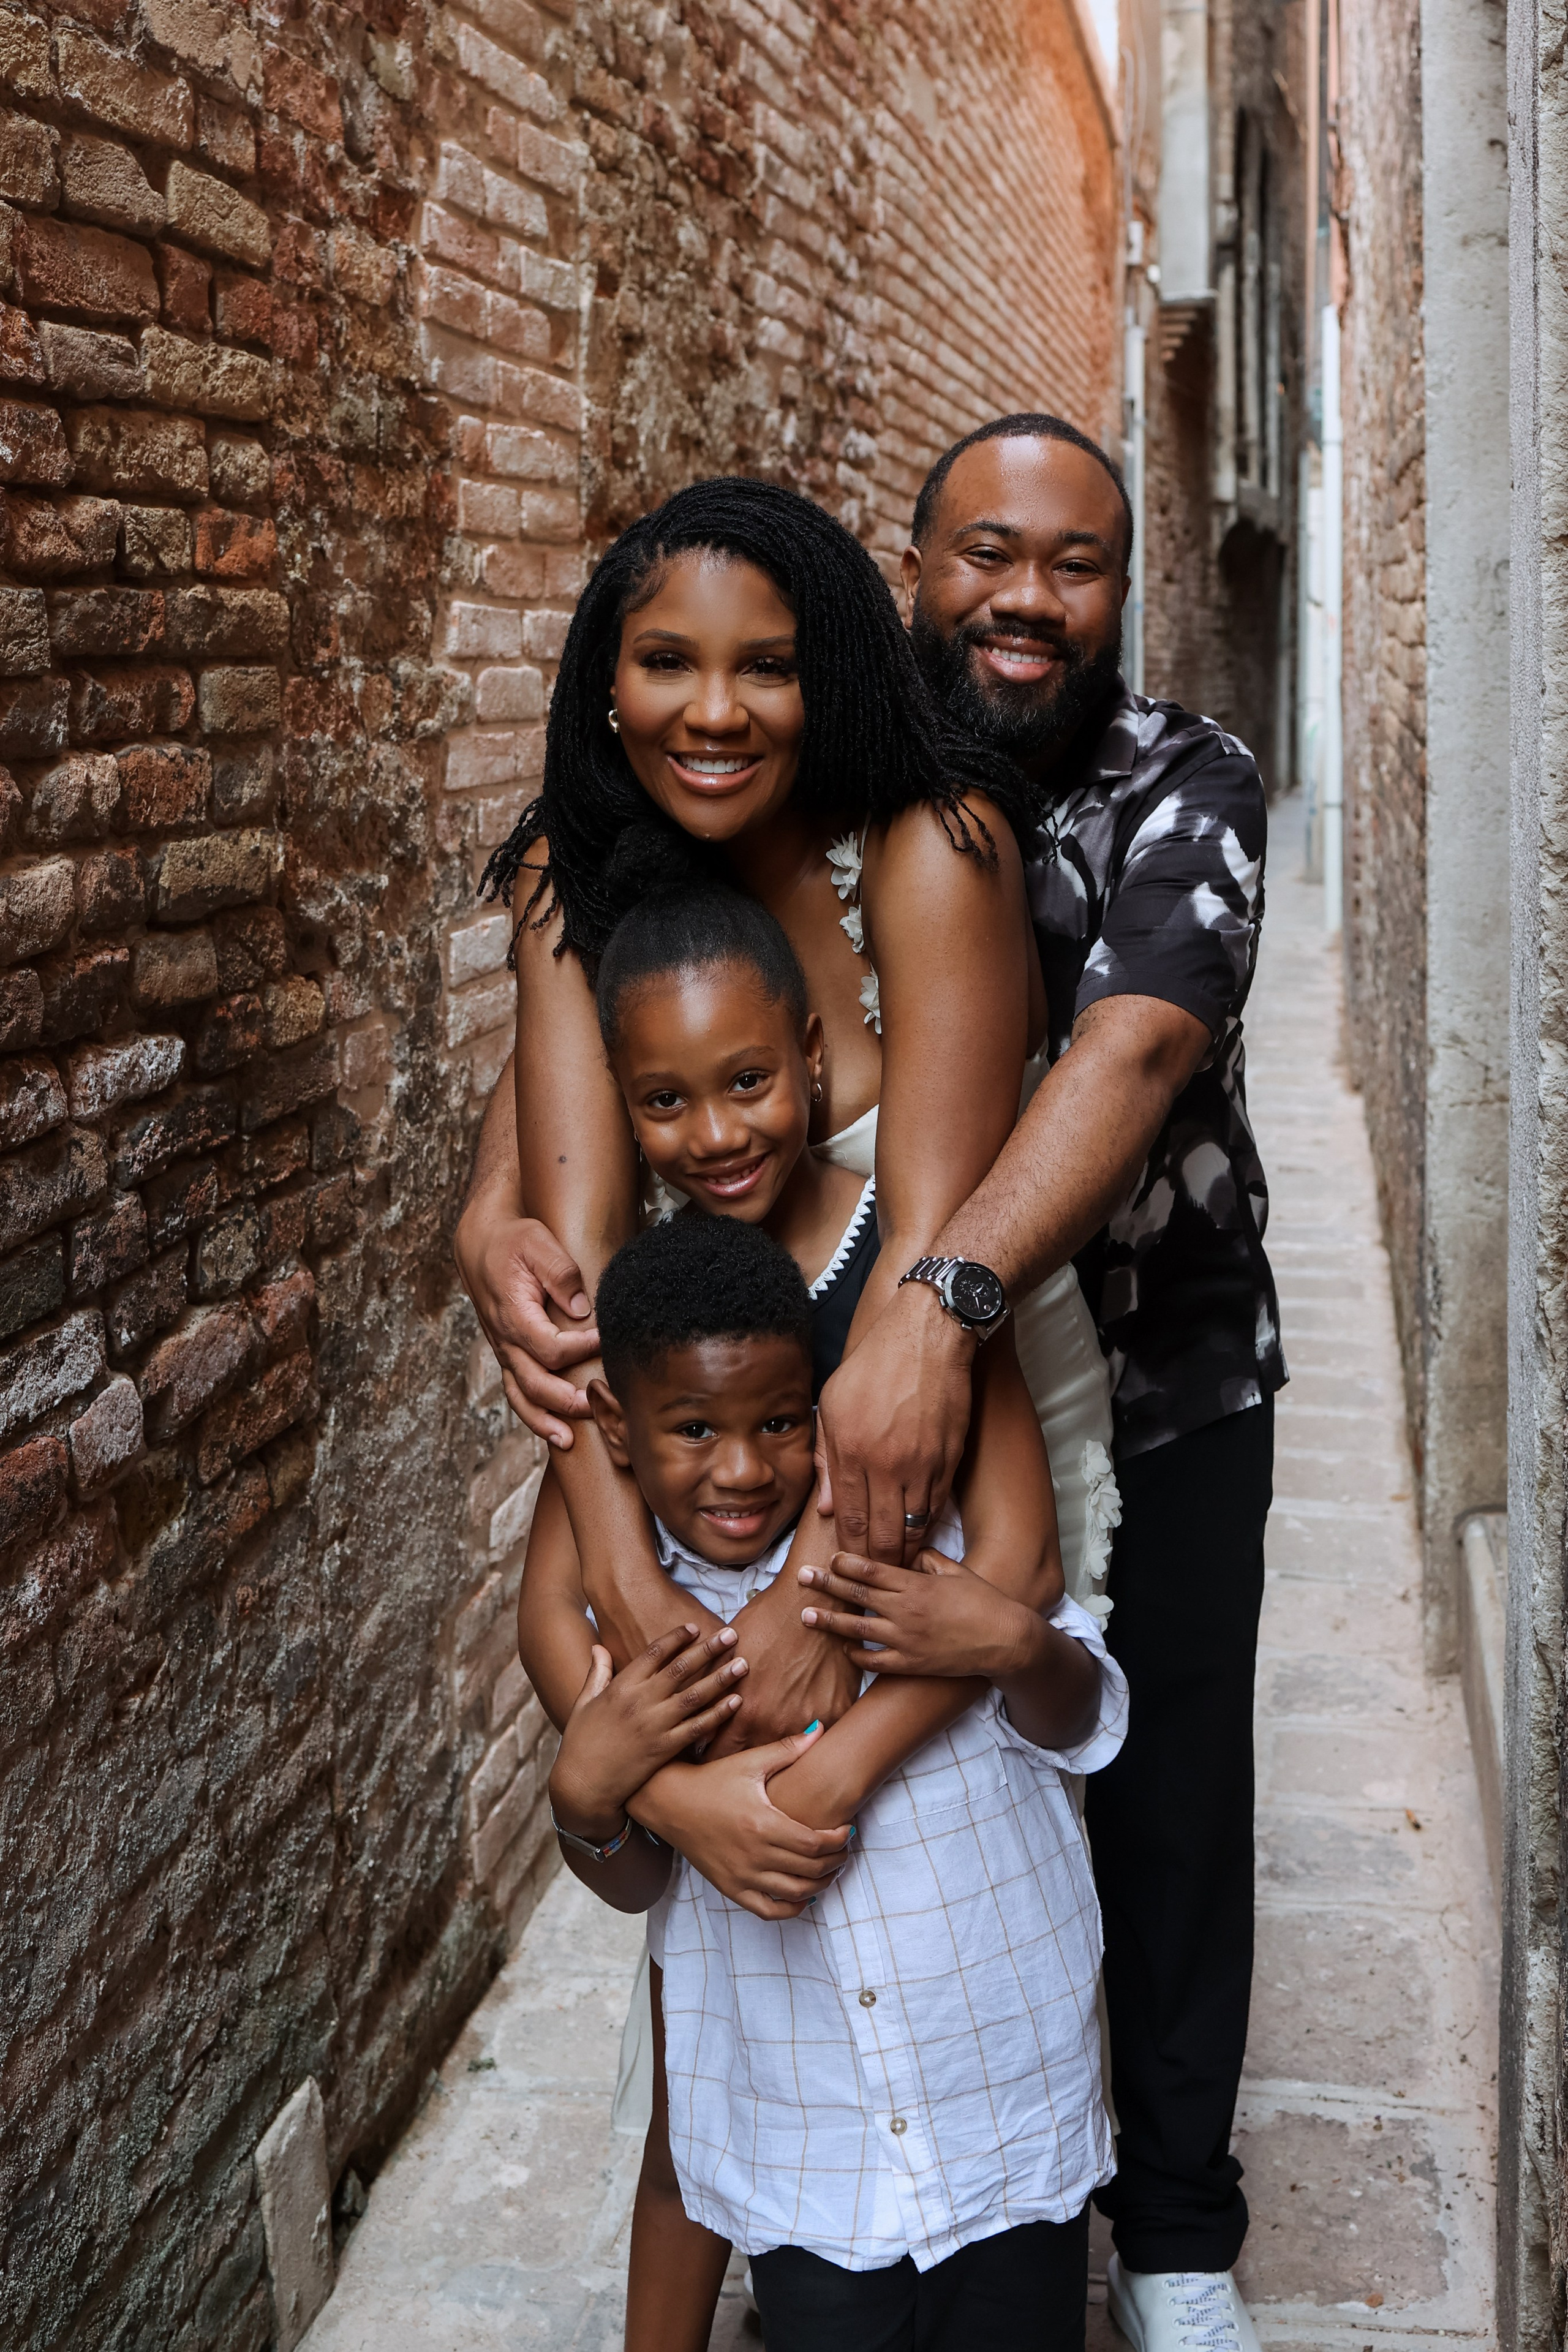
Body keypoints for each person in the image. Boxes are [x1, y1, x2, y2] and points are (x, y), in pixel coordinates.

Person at [453, 477, 1118, 1929]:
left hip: (947, 1379)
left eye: (766, 665)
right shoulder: (580, 882)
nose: (714, 711)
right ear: (605, 687)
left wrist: (815, 1597)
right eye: (666, 663)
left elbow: (928, 1257)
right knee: (714, 1961)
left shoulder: (933, 847)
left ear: (828, 673)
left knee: (933, 1879)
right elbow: (575, 1268)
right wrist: (630, 1590)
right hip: (720, 1415)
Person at [815, 412, 1282, 2350]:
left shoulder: (1190, 780)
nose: (1025, 598)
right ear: (914, 565)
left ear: (1120, 590)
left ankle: (1171, 2234)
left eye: (1074, 563)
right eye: (984, 554)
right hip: (875, 1417)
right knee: (928, 1803)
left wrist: (943, 1303)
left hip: (1166, 1381)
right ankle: (926, 2198)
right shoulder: (828, 785)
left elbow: (1139, 1051)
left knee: (1165, 1793)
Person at [517, 883, 1070, 2349]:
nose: (714, 1134)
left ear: (816, 1066)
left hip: (925, 1798)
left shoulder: (914, 1245)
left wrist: (836, 1760)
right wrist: (672, 1793)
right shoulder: (652, 1291)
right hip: (735, 1837)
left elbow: (1014, 1570)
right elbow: (557, 1590)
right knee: (712, 2089)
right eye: (664, 1101)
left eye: (748, 1083)